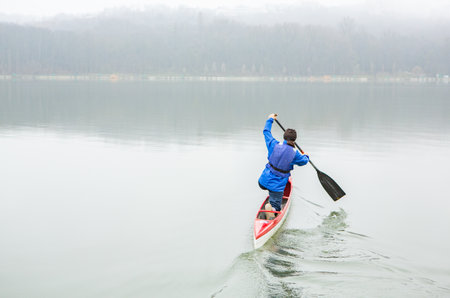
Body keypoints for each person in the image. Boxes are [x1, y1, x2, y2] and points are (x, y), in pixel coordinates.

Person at [258, 113, 309, 219]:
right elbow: (304, 161)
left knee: (271, 187)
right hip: (277, 186)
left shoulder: (274, 144)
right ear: (294, 140)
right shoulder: (295, 153)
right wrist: (306, 156)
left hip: (262, 181)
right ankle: (273, 209)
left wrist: (270, 119)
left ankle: (270, 204)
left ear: (284, 137)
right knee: (277, 207)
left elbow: (266, 132)